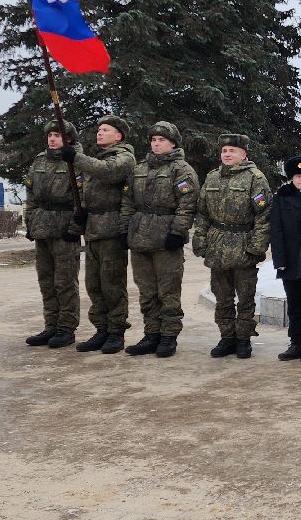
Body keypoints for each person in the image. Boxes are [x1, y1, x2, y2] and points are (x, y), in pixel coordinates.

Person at [122, 121, 199, 359]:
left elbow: (187, 203)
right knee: (146, 291)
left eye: (161, 140)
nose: (156, 144)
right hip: (140, 238)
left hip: (166, 239)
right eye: (153, 140)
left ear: (173, 143)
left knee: (168, 292)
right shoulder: (139, 168)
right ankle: (151, 334)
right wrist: (126, 229)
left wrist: (178, 232)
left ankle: (168, 336)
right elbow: (127, 201)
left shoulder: (181, 169)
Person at [192, 133, 271, 360]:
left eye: (232, 151)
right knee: (222, 296)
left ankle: (243, 339)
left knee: (245, 297)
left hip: (243, 245)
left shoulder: (255, 179)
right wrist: (200, 239)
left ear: (243, 154)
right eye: (224, 151)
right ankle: (227, 337)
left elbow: (263, 217)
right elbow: (203, 213)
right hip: (217, 245)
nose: (227, 154)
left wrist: (256, 247)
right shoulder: (212, 178)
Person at [63, 114, 136, 354]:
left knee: (112, 284)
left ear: (119, 135)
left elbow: (108, 172)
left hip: (112, 229)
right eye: (99, 129)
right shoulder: (96, 159)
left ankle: (116, 332)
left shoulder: (124, 157)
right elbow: (85, 192)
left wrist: (77, 157)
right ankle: (101, 329)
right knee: (94, 284)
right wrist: (79, 219)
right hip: (93, 229)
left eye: (105, 130)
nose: (100, 133)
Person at [22, 122, 83, 349]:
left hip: (64, 227)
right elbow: (31, 195)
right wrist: (30, 222)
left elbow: (82, 198)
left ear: (69, 138)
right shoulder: (40, 161)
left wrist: (74, 229)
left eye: (57, 135)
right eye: (50, 135)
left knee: (64, 281)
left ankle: (66, 328)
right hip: (42, 228)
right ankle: (51, 325)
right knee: (46, 280)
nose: (52, 139)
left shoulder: (75, 161)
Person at [271, 156, 301, 362]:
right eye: (298, 176)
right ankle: (296, 341)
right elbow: (276, 230)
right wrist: (279, 259)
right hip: (290, 259)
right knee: (294, 303)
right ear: (291, 178)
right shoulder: (282, 197)